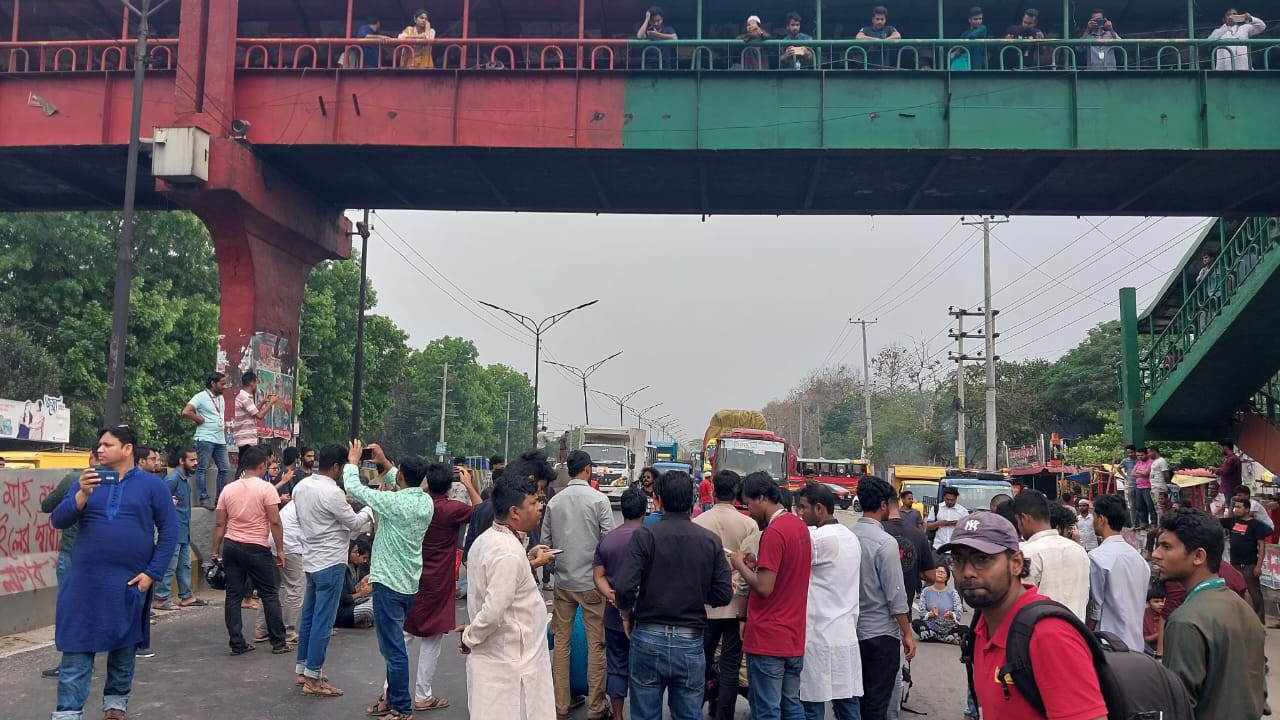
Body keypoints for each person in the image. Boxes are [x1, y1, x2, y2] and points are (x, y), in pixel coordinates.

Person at [49, 426, 178, 720]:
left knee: (124, 647)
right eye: (100, 445)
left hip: (129, 584)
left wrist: (152, 574)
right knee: (76, 648)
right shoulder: (87, 480)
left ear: (127, 448)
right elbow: (59, 519)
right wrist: (82, 493)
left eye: (107, 445)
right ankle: (68, 713)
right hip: (84, 584)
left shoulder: (152, 485)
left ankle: (115, 707)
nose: (101, 450)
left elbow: (170, 531)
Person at [945, 511, 1108, 720]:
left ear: (1016, 563)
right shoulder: (981, 627)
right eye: (958, 559)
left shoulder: (1048, 635)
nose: (967, 571)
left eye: (982, 558)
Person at [613, 471, 731, 720]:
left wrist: (626, 614)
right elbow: (723, 594)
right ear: (693, 501)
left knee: (645, 714)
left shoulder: (645, 536)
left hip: (647, 636)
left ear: (658, 500)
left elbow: (624, 587)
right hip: (689, 640)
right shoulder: (710, 541)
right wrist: (697, 592)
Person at [342, 442, 436, 720]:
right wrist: (384, 461)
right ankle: (390, 698)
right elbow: (401, 481)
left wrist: (353, 461)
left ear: (404, 477)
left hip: (389, 584)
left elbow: (355, 489)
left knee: (393, 650)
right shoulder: (425, 501)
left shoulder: (393, 502)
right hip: (408, 583)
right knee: (392, 647)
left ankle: (402, 707)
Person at [458, 471, 556, 720]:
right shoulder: (507, 553)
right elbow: (493, 611)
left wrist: (527, 557)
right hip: (510, 666)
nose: (540, 507)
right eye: (533, 503)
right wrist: (470, 637)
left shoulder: (491, 540)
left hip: (508, 659)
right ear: (515, 512)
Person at [1153, 507, 1265, 720]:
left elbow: (1179, 707)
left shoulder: (1186, 620)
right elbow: (1259, 690)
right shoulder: (1244, 609)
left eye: (1166, 547)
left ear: (1198, 556)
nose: (1156, 554)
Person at [290, 444, 374, 697]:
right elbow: (355, 524)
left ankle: (304, 669)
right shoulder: (332, 493)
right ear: (337, 467)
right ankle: (313, 676)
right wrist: (369, 508)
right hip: (330, 562)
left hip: (311, 560)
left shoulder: (301, 486)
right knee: (323, 622)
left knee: (309, 616)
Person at [728, 472, 813, 720]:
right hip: (793, 636)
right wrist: (756, 564)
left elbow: (764, 587)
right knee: (792, 706)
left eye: (749, 503)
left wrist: (738, 563)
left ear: (762, 498)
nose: (748, 510)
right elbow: (785, 572)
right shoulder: (798, 526)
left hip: (769, 638)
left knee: (766, 710)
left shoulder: (773, 532)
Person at [542, 450, 615, 720]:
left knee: (561, 643)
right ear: (587, 469)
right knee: (597, 644)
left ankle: (560, 704)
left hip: (564, 582)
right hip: (592, 583)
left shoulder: (554, 502)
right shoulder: (599, 500)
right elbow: (607, 541)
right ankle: (595, 707)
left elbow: (547, 543)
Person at [402, 462, 481, 711]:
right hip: (439, 579)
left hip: (412, 574)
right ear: (450, 485)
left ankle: (389, 691)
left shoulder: (418, 504)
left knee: (404, 634)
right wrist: (468, 484)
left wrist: (425, 483)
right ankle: (423, 694)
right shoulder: (451, 509)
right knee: (432, 638)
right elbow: (481, 511)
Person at [211, 445, 290, 655]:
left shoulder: (228, 489)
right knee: (270, 594)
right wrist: (280, 549)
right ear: (262, 465)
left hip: (231, 545)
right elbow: (275, 521)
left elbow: (220, 524)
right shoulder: (266, 489)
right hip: (256, 547)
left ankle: (237, 643)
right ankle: (278, 642)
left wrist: (215, 551)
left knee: (233, 595)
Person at [692, 470, 758, 720]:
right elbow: (750, 566)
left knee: (702, 662)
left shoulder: (699, 523)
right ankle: (724, 713)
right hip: (736, 608)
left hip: (706, 607)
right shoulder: (749, 523)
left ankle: (694, 709)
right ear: (737, 494)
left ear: (714, 491)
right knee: (731, 665)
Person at [794, 483, 862, 720]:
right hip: (845, 635)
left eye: (803, 508)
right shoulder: (850, 536)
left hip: (818, 636)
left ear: (820, 509)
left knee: (812, 705)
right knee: (847, 704)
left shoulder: (819, 538)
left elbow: (788, 565)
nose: (800, 513)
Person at [850, 477, 914, 720]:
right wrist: (907, 633)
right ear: (884, 504)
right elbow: (896, 596)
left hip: (853, 632)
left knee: (856, 700)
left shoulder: (849, 537)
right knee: (877, 705)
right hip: (881, 635)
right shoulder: (885, 543)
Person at [593, 488, 648, 720]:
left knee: (616, 666)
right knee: (644, 670)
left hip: (614, 616)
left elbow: (598, 576)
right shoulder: (650, 537)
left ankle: (617, 716)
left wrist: (613, 596)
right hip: (645, 615)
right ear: (644, 510)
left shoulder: (608, 540)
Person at [39, 452, 95, 678]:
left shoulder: (74, 479)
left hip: (72, 553)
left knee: (70, 611)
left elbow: (47, 505)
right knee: (90, 609)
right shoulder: (121, 483)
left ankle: (71, 664)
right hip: (98, 557)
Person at [1011, 489, 1090, 619]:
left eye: (1018, 521)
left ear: (1024, 518)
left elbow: (1020, 604)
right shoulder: (1079, 550)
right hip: (1076, 633)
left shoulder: (1028, 553)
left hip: (1041, 634)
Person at [1085, 493, 1149, 650]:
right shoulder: (1138, 558)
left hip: (1109, 644)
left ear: (1101, 519)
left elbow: (1095, 608)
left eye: (1094, 517)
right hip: (1136, 644)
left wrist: (1086, 634)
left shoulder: (1097, 557)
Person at [154, 448, 204, 611]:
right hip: (173, 531)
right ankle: (161, 599)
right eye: (192, 460)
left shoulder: (185, 479)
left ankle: (186, 596)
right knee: (169, 565)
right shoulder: (173, 478)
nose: (196, 463)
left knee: (184, 565)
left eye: (196, 460)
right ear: (182, 461)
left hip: (183, 530)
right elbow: (160, 502)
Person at [1217, 495, 1268, 621]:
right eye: (1235, 507)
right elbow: (1216, 521)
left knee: (1254, 594)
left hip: (1249, 565)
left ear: (1247, 509)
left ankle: (1259, 621)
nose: (1236, 509)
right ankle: (1241, 621)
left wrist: (1258, 566)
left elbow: (1261, 546)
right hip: (1235, 565)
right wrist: (1229, 506)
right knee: (1236, 592)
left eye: (1239, 507)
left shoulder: (1256, 525)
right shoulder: (1233, 521)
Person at [182, 371, 229, 507]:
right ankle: (203, 498)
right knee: (201, 468)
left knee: (225, 469)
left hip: (220, 439)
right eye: (222, 384)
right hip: (205, 438)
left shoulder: (221, 398)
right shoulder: (201, 396)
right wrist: (198, 419)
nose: (224, 386)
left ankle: (220, 499)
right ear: (213, 383)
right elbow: (185, 411)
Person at [231, 371, 278, 464]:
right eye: (256, 382)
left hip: (247, 438)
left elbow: (253, 412)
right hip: (246, 439)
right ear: (251, 383)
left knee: (246, 465)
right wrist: (271, 403)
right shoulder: (244, 397)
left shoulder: (246, 397)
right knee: (245, 466)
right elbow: (259, 416)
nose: (257, 385)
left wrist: (263, 402)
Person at [912, 565, 965, 644]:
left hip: (949, 627)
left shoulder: (953, 592)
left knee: (966, 629)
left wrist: (951, 614)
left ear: (947, 577)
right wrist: (930, 614)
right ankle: (946, 638)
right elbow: (921, 612)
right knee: (916, 623)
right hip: (930, 626)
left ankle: (935, 636)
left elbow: (959, 613)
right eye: (937, 572)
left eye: (942, 572)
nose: (939, 574)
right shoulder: (926, 591)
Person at [335, 538, 374, 628]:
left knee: (376, 601)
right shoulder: (343, 569)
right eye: (355, 552)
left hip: (349, 606)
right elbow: (344, 599)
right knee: (370, 609)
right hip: (340, 611)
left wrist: (362, 584)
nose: (357, 554)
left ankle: (359, 621)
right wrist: (361, 593)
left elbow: (352, 590)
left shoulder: (354, 568)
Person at [856, 5, 901, 69]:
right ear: (873, 20)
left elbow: (897, 36)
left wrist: (883, 41)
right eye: (877, 19)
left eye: (882, 19)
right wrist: (875, 40)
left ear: (885, 20)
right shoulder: (866, 29)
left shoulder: (889, 28)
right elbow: (858, 37)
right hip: (868, 69)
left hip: (885, 69)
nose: (880, 21)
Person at [926, 486, 969, 552]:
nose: (949, 502)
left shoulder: (963, 511)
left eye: (952, 500)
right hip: (938, 547)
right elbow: (928, 527)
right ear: (944, 497)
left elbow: (968, 529)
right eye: (947, 499)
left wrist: (959, 524)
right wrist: (939, 523)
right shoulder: (936, 508)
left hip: (956, 548)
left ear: (956, 498)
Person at [1131, 448, 1155, 527]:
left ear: (1146, 454)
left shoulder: (1151, 462)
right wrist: (1141, 473)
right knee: (1140, 506)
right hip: (1139, 487)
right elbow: (1132, 473)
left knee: (1150, 506)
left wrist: (1139, 473)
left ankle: (1154, 523)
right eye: (1138, 455)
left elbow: (1146, 473)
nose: (1140, 457)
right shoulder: (1138, 462)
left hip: (1147, 487)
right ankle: (1144, 523)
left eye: (1142, 455)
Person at [1117, 444, 1139, 526]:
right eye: (1128, 453)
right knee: (1132, 505)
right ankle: (1134, 524)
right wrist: (1125, 477)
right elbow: (1118, 468)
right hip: (1131, 485)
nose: (1130, 454)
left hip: (1141, 485)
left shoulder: (1139, 460)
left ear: (1135, 452)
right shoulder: (1125, 461)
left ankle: (1142, 523)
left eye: (1132, 452)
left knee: (1141, 505)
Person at [1147, 446, 1173, 513]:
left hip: (1160, 487)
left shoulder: (1161, 461)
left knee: (1161, 508)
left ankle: (1163, 522)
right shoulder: (1155, 461)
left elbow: (1166, 474)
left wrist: (1168, 485)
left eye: (1149, 452)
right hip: (1154, 487)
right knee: (1157, 508)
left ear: (1154, 451)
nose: (1148, 455)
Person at [1143, 583, 1165, 656]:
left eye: (1162, 601)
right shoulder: (1143, 615)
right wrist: (1161, 634)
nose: (1161, 604)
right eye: (1156, 601)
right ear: (1148, 603)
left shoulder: (1166, 614)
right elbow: (1145, 639)